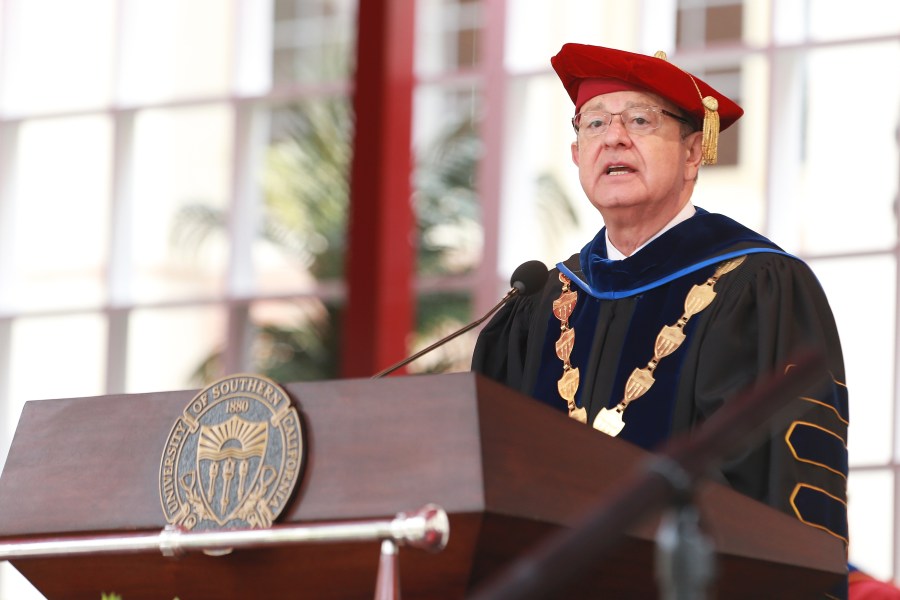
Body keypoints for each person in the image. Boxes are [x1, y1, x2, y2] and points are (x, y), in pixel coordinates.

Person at [472, 43, 849, 597]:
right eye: (595, 122)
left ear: (694, 151)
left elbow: (772, 485)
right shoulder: (540, 302)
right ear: (576, 153)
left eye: (640, 120)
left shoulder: (756, 287)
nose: (614, 137)